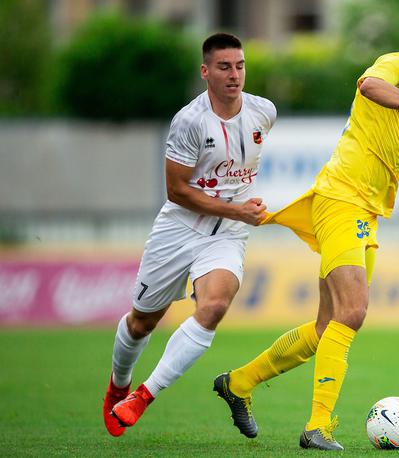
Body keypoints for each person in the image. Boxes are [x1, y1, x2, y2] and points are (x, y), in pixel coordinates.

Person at [212, 3, 399, 451]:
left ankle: (238, 382)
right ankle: (319, 427)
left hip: (365, 212)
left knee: (326, 327)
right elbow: (369, 85)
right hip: (342, 200)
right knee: (353, 312)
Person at [102, 32, 276, 437]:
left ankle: (143, 396)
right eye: (224, 67)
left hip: (228, 234)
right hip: (178, 230)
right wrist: (237, 208)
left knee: (214, 305)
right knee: (142, 322)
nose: (234, 75)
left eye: (240, 65)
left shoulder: (264, 111)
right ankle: (118, 384)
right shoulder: (190, 121)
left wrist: (238, 212)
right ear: (205, 72)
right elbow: (177, 190)